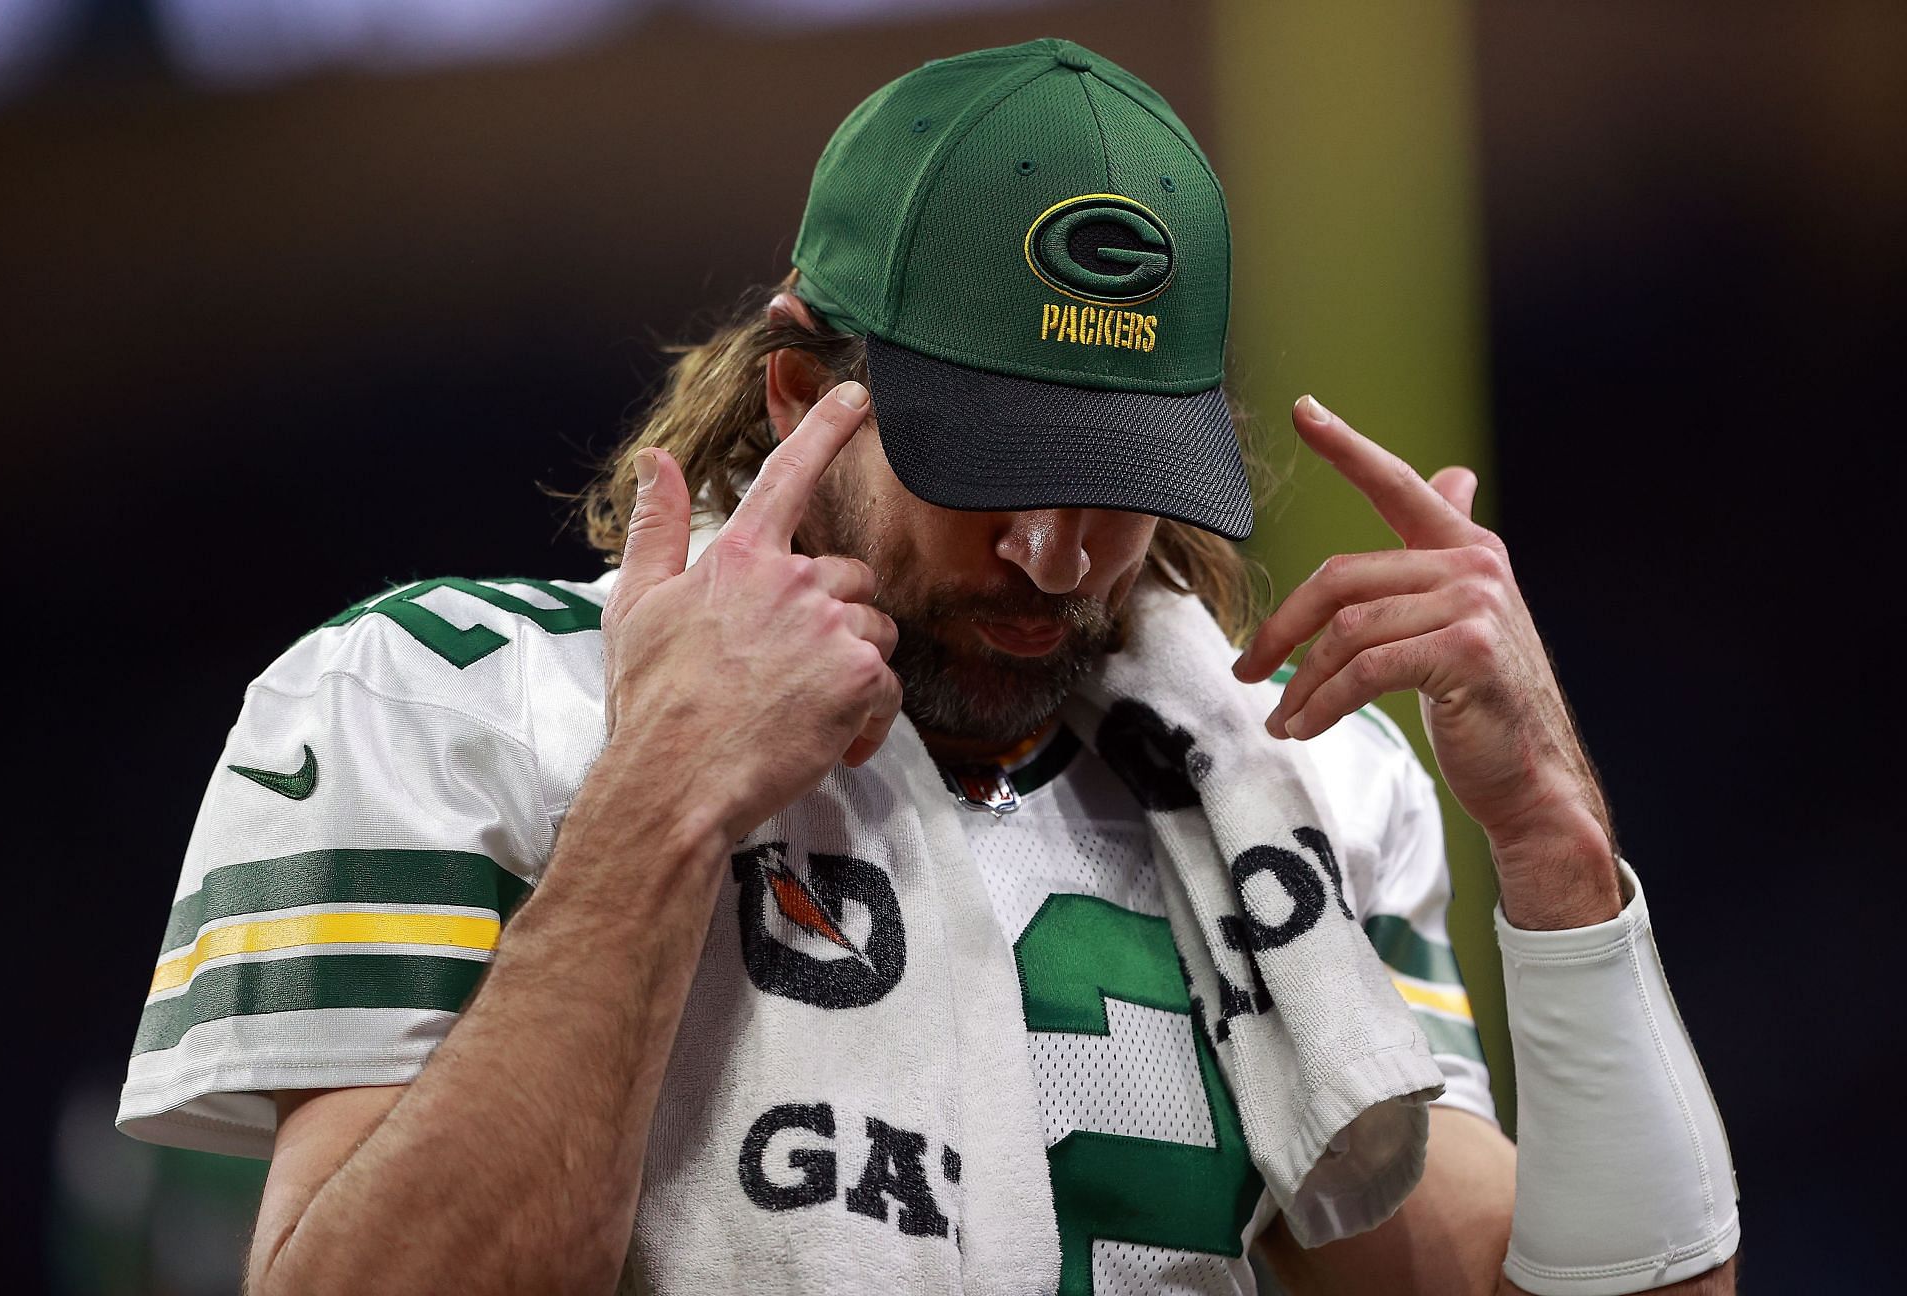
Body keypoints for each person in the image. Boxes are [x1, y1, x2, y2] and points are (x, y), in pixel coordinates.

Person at [117, 38, 1738, 1296]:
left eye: (1115, 481)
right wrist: (659, 798)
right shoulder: (439, 703)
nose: (1056, 552)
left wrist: (1558, 854)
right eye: (988, 463)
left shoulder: (1278, 783)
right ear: (799, 386)